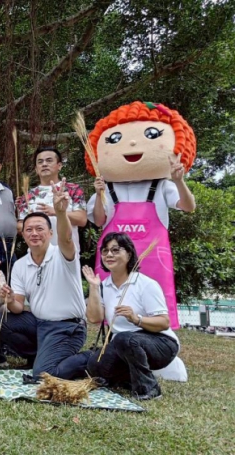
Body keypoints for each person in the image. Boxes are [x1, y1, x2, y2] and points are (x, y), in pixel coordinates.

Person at [86, 101, 197, 329]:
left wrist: (179, 181)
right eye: (115, 139)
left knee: (155, 305)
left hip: (153, 258)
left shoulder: (163, 186)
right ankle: (113, 340)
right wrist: (98, 195)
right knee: (112, 306)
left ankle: (158, 342)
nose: (133, 142)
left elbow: (188, 206)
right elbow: (98, 221)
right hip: (113, 257)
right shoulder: (107, 188)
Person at [4, 180, 86, 382]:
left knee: (43, 375)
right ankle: (39, 354)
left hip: (67, 327)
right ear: (23, 235)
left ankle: (93, 358)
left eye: (39, 229)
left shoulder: (63, 255)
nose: (34, 233)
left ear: (51, 234)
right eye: (29, 230)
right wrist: (4, 295)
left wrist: (60, 212)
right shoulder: (21, 265)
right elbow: (17, 307)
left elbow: (67, 238)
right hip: (39, 324)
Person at [81, 233, 180, 400]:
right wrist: (93, 287)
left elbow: (164, 322)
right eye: (105, 251)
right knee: (94, 365)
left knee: (125, 338)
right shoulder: (104, 285)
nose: (109, 255)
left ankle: (149, 388)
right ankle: (128, 379)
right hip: (123, 346)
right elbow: (94, 318)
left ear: (129, 254)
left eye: (115, 250)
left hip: (161, 344)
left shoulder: (146, 284)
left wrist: (136, 319)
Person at [16, 146, 87, 253]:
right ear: (36, 169)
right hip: (37, 254)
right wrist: (34, 226)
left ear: (59, 166)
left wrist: (57, 212)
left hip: (67, 254)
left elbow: (82, 219)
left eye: (49, 160)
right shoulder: (28, 195)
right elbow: (20, 226)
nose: (44, 164)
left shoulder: (72, 189)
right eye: (40, 162)